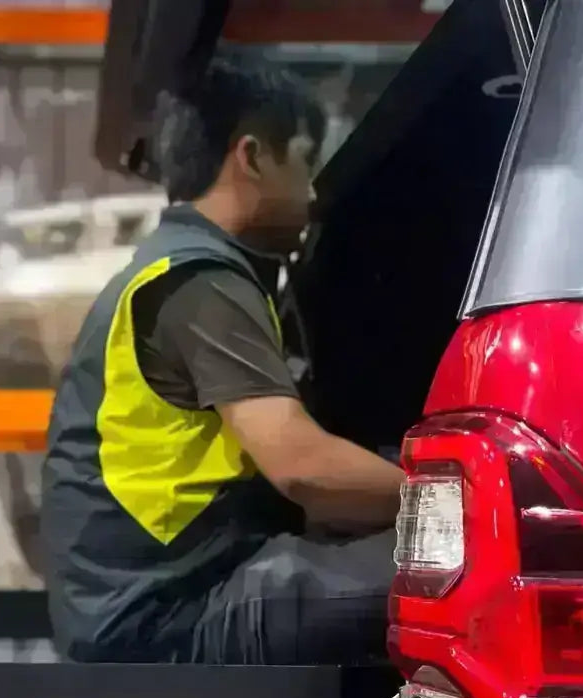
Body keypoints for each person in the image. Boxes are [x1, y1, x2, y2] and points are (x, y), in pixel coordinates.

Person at [41, 48, 406, 664]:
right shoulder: (200, 281)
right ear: (253, 157)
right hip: (168, 613)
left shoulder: (176, 263)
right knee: (467, 572)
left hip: (152, 597)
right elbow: (304, 469)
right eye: (305, 162)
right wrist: (459, 502)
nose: (314, 191)